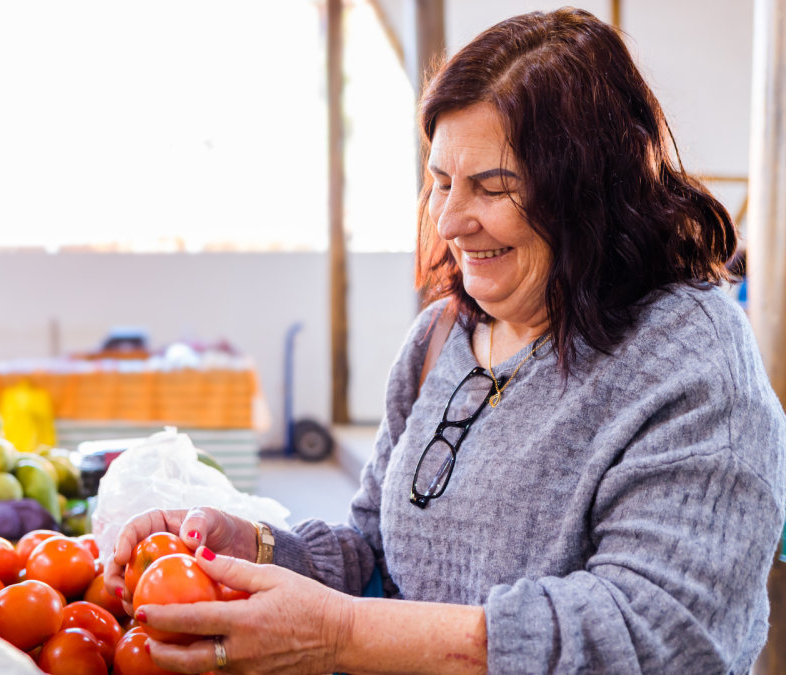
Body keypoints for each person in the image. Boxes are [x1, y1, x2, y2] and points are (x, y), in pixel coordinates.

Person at [103, 10, 786, 675]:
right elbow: (375, 552)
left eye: (492, 188)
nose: (452, 220)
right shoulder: (442, 336)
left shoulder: (689, 362)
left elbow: (659, 636)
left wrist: (342, 636)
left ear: (590, 194)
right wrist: (257, 548)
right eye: (440, 183)